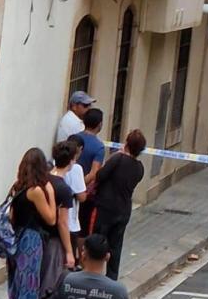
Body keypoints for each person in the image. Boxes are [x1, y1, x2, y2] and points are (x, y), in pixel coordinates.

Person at [1, 148, 56, 299]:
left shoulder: (18, 187)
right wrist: (50, 192)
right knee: (28, 290)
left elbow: (13, 217)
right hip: (31, 241)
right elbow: (51, 218)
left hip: (15, 240)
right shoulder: (37, 191)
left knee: (14, 290)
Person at [91, 130, 147, 281]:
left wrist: (114, 157)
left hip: (106, 207)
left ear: (127, 144)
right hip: (123, 210)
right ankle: (111, 277)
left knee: (98, 240)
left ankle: (93, 272)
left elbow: (100, 176)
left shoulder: (118, 160)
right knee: (116, 245)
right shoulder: (139, 167)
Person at [43, 142, 78, 294]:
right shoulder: (64, 189)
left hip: (39, 236)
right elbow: (63, 223)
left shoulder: (44, 179)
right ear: (71, 161)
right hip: (53, 241)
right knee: (49, 282)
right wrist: (69, 251)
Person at [53, 138, 88, 258]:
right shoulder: (66, 188)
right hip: (69, 224)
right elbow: (82, 196)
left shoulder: (48, 175)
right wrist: (69, 252)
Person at [76, 108, 106, 235]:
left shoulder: (74, 138)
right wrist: (80, 186)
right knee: (83, 227)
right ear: (99, 124)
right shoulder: (98, 146)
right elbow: (94, 173)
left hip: (68, 187)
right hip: (86, 193)